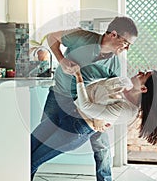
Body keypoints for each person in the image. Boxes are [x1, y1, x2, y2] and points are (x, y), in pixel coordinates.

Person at [31, 16, 138, 181]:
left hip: (85, 105)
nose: (127, 48)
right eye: (126, 43)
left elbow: (111, 92)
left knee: (101, 146)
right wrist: (62, 60)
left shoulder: (115, 64)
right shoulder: (82, 37)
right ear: (114, 35)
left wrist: (108, 119)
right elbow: (52, 37)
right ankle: (24, 174)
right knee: (39, 142)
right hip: (59, 95)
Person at [31, 70, 157, 179]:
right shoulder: (123, 88)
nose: (139, 72)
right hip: (66, 111)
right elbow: (96, 88)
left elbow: (87, 105)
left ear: (144, 89)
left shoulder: (127, 110)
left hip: (75, 128)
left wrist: (79, 77)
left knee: (33, 161)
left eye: (143, 75)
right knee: (28, 151)